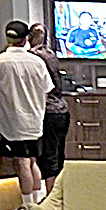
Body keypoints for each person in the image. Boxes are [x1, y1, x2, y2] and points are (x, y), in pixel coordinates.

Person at [0, 21, 54, 210]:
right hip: (35, 119)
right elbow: (47, 89)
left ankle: (28, 207)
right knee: (32, 160)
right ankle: (38, 204)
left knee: (22, 162)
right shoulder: (38, 62)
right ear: (25, 40)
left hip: (11, 121)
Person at [27, 23, 71, 185]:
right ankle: (61, 190)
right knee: (59, 156)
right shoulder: (51, 54)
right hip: (62, 110)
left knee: (48, 157)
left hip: (48, 111)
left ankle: (51, 194)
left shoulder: (33, 57)